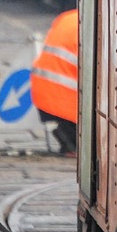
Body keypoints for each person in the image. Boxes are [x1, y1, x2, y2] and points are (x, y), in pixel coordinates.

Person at [31, 9, 78, 155]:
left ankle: (69, 136)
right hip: (65, 99)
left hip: (42, 92)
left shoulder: (68, 17)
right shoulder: (101, 24)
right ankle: (72, 138)